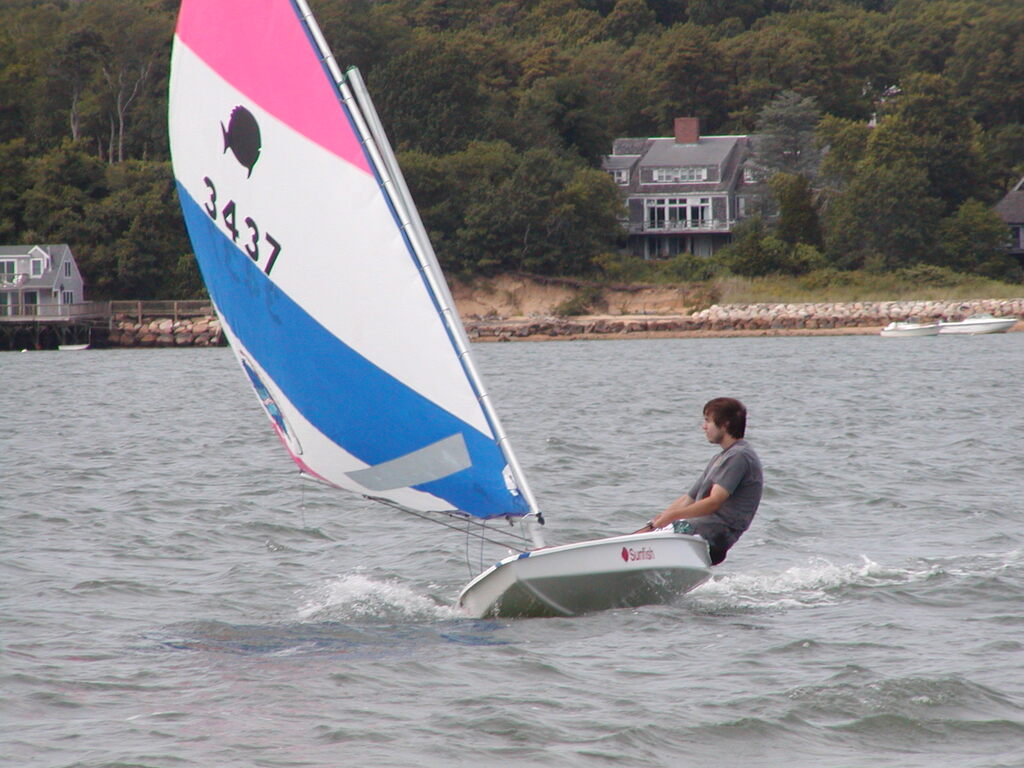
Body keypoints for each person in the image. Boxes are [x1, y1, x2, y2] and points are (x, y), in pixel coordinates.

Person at [634, 397, 762, 565]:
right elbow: (689, 499)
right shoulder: (722, 457)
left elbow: (714, 502)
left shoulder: (739, 456)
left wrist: (673, 516)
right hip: (700, 529)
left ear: (725, 424)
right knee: (643, 536)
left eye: (708, 421)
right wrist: (653, 524)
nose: (704, 426)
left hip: (715, 534)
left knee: (661, 534)